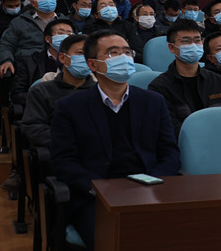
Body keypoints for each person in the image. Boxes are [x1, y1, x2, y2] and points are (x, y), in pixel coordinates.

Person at [50, 31, 180, 250]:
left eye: (127, 52)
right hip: (97, 198)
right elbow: (63, 161)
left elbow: (170, 153)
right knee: (117, 241)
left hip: (149, 190)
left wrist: (152, 182)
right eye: (113, 53)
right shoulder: (71, 107)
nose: (123, 58)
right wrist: (101, 188)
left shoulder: (153, 101)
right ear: (92, 64)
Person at [148, 19, 221, 139]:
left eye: (197, 40)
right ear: (172, 47)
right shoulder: (159, 87)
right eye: (186, 41)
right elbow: (170, 128)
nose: (193, 45)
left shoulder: (218, 80)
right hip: (183, 144)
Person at [21, 34, 95, 148]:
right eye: (80, 53)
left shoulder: (100, 91)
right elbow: (34, 128)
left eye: (89, 55)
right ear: (62, 58)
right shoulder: (41, 91)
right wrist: (71, 142)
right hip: (59, 150)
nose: (85, 58)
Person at [0, 0, 63, 78]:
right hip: (27, 68)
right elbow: (6, 45)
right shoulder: (19, 22)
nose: (47, 0)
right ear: (33, 3)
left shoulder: (66, 23)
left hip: (59, 67)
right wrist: (6, 60)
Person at [11, 19, 74, 107]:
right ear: (48, 39)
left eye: (69, 34)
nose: (65, 37)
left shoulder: (78, 62)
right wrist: (43, 100)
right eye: (60, 33)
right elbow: (17, 94)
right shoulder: (30, 62)